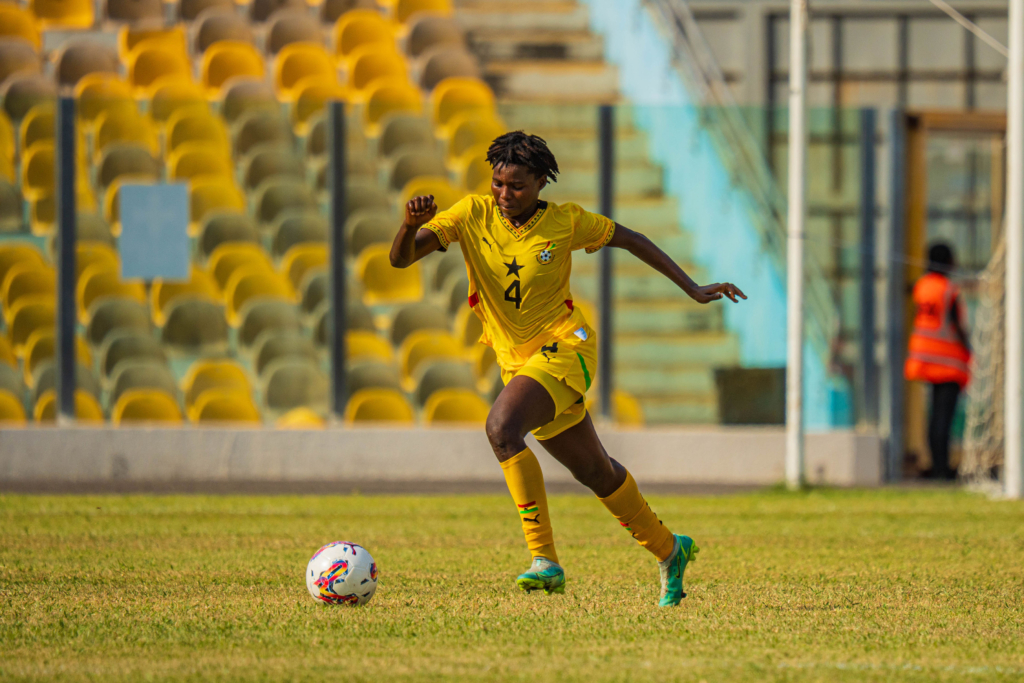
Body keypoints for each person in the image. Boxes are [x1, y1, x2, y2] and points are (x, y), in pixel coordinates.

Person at [389, 131, 746, 606]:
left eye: (516, 185)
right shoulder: (471, 214)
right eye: (498, 182)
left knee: (501, 428)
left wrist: (693, 288)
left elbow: (632, 239)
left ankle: (545, 560)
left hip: (566, 347)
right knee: (596, 472)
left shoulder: (565, 222)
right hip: (519, 365)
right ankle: (669, 549)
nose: (504, 194)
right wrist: (408, 226)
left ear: (541, 182)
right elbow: (401, 259)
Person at [904, 242, 971, 480]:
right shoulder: (948, 289)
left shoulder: (921, 287)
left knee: (934, 417)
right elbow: (957, 326)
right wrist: (970, 350)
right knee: (944, 418)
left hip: (924, 359)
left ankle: (936, 463)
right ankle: (941, 468)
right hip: (948, 362)